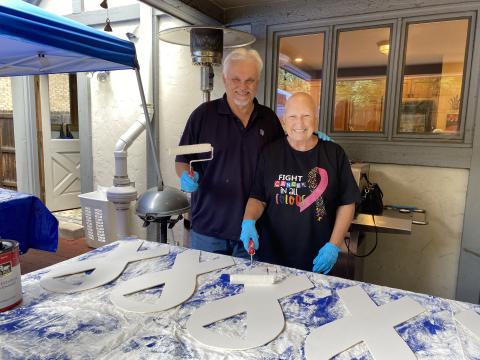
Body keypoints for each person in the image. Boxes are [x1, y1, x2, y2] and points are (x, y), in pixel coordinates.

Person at [175, 48, 330, 258]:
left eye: (250, 80)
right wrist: (185, 175)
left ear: (258, 81)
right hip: (208, 230)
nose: (242, 87)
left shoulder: (269, 119)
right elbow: (183, 160)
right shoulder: (203, 116)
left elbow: (287, 154)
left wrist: (310, 137)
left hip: (255, 230)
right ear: (224, 78)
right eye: (236, 79)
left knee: (251, 289)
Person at [240, 92, 360, 273]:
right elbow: (258, 198)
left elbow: (347, 203)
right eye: (293, 116)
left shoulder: (334, 154)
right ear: (284, 120)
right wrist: (248, 221)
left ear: (316, 118)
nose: (300, 123)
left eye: (306, 116)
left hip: (317, 259)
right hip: (272, 260)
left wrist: (333, 245)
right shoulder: (270, 153)